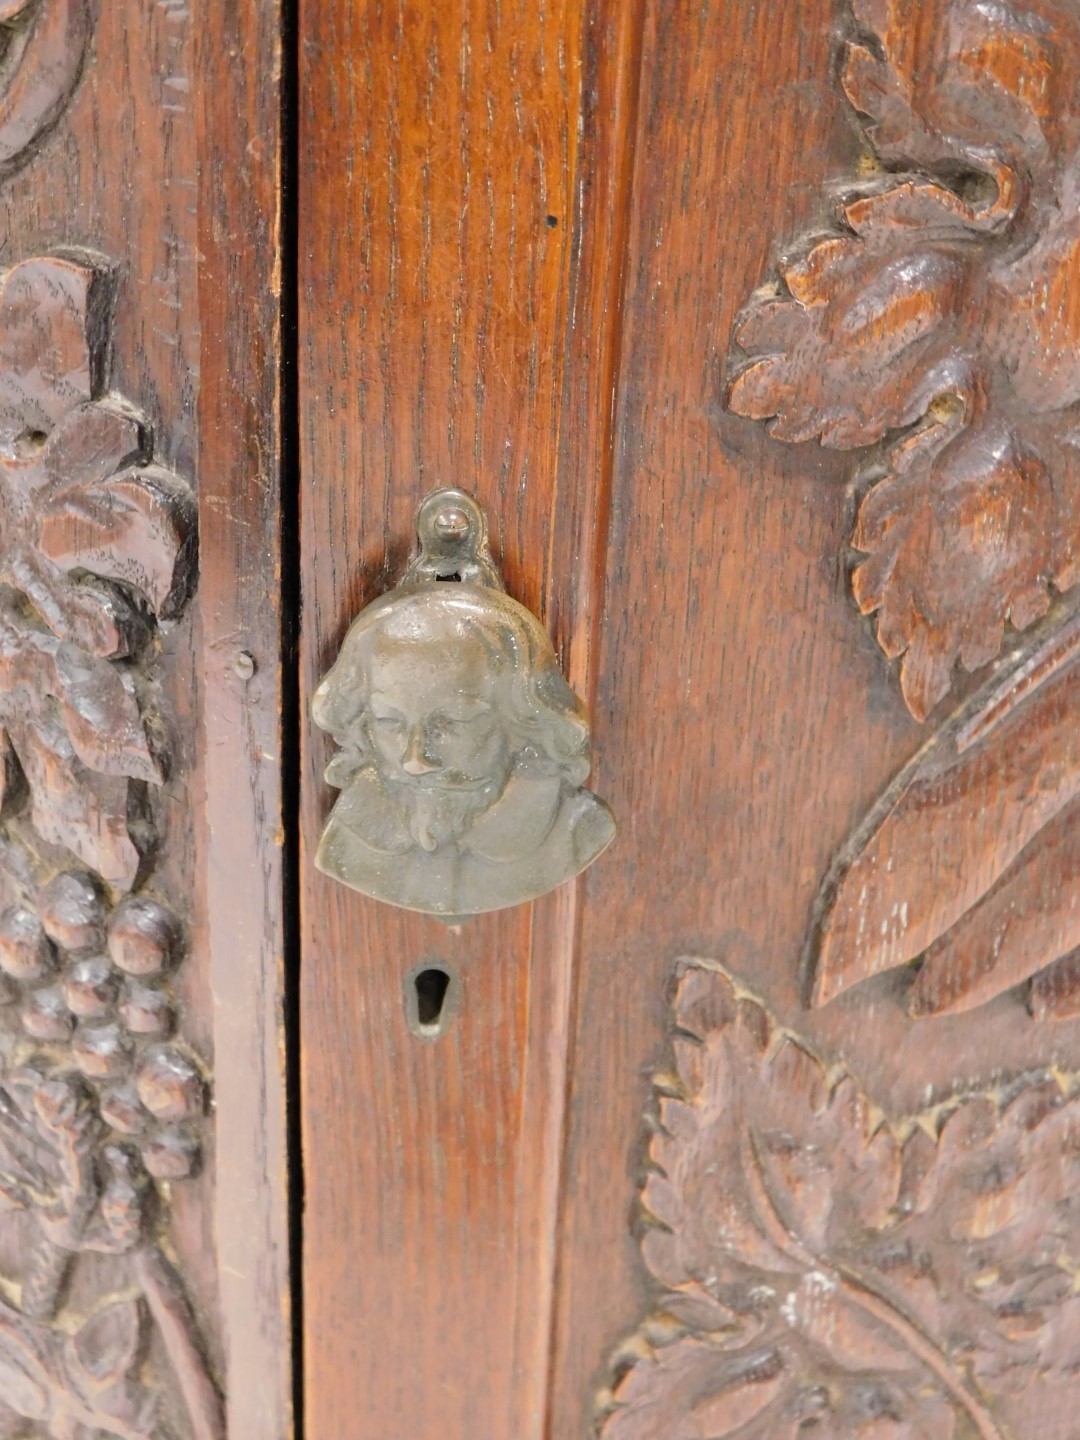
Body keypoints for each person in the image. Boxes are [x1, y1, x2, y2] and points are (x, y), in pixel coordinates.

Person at [312, 581, 615, 917]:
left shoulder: (576, 832)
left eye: (453, 723)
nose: (414, 761)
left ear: (521, 725)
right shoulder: (349, 837)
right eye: (389, 723)